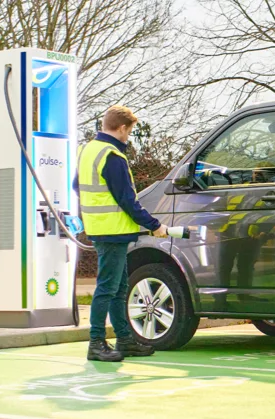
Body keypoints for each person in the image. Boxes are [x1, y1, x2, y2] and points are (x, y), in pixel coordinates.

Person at [73, 105, 167, 362]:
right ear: (122, 127)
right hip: (112, 230)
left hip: (100, 228)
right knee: (107, 288)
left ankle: (124, 340)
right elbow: (127, 200)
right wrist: (154, 225)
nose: (128, 137)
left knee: (118, 287)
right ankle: (96, 343)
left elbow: (75, 185)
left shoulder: (87, 150)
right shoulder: (112, 155)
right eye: (129, 131)